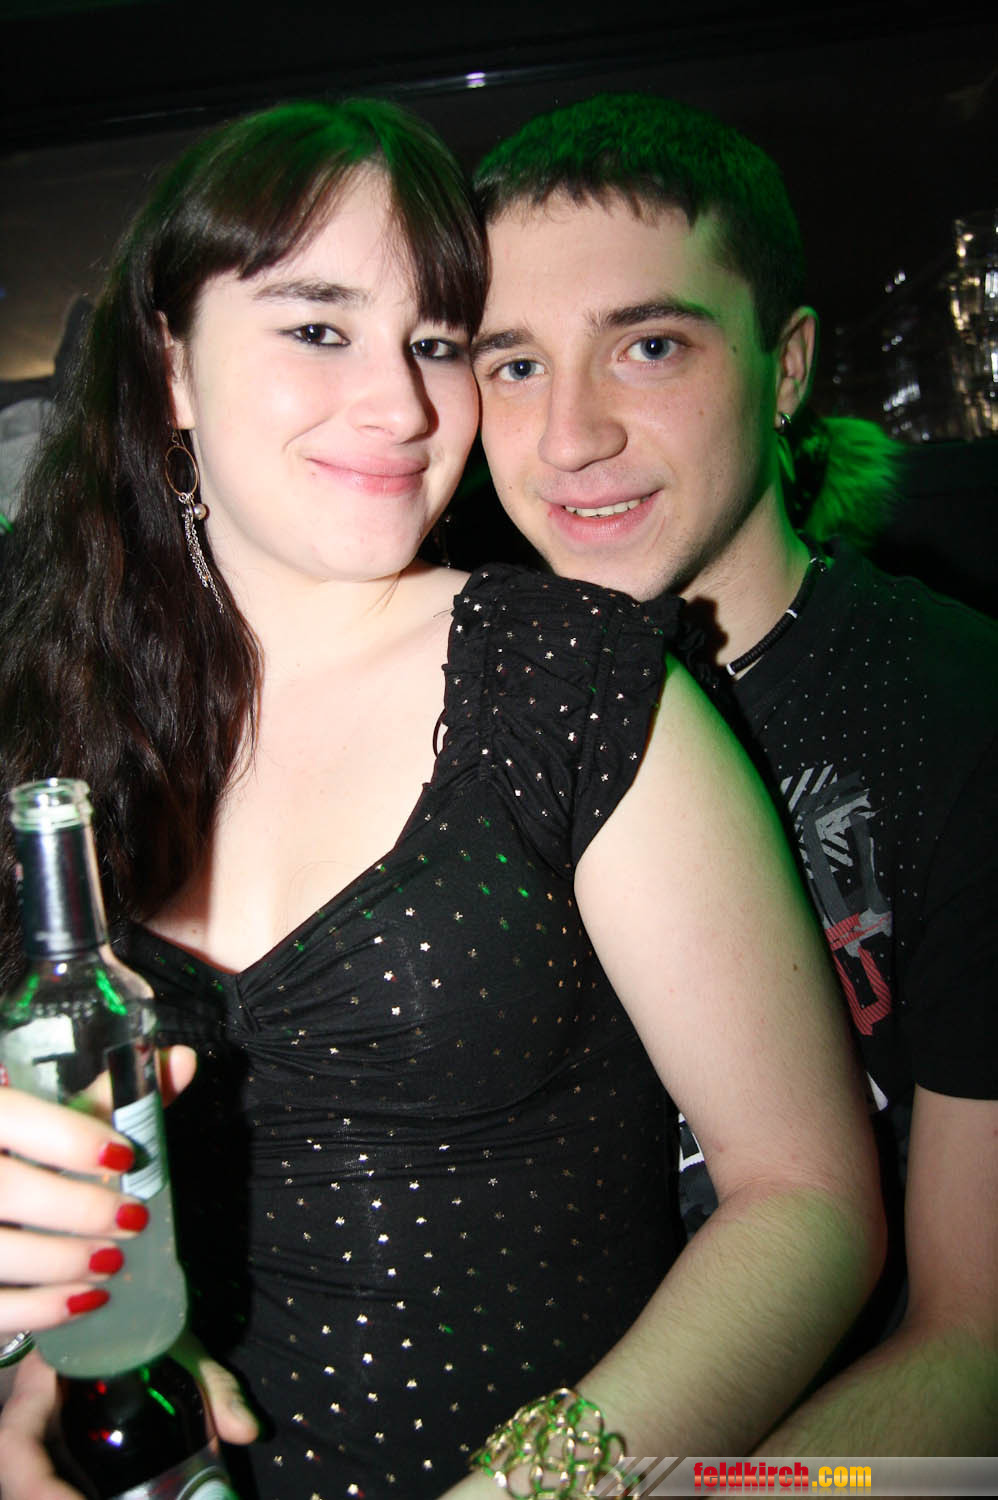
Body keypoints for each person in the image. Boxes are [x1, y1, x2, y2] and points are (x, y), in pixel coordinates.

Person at [0, 98, 883, 1500]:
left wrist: (535, 1488)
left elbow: (809, 1202)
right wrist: (31, 1368)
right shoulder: (40, 715)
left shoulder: (568, 683)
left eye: (434, 344)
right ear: (172, 365)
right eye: (317, 327)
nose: (402, 408)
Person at [469, 91, 998, 1456]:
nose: (569, 435)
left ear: (785, 365)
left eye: (647, 346)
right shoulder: (450, 715)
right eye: (510, 364)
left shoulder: (960, 712)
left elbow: (975, 1345)